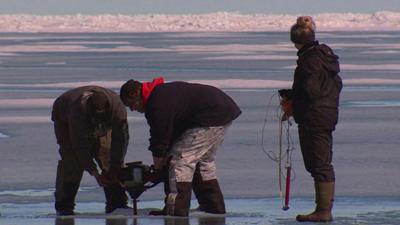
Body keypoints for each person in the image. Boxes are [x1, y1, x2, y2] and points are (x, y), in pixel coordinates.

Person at [119, 77, 241, 216]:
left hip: (209, 116)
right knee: (202, 162)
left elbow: (160, 137)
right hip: (222, 111)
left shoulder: (157, 103)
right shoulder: (161, 95)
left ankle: (176, 212)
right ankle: (212, 208)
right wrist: (162, 161)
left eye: (131, 105)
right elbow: (171, 134)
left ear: (136, 95)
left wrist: (159, 168)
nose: (132, 109)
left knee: (179, 162)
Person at [280, 16, 342, 222]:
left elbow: (311, 90)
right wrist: (294, 94)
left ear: (295, 41)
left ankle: (324, 211)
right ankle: (322, 209)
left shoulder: (310, 60)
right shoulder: (325, 56)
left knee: (319, 163)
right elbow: (328, 87)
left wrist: (294, 100)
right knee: (319, 162)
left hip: (315, 116)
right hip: (326, 113)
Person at [51, 86, 130, 215]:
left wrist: (116, 166)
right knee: (72, 161)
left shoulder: (117, 108)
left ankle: (117, 202)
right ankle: (64, 204)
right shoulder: (76, 113)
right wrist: (94, 172)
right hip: (64, 117)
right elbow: (79, 146)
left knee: (107, 156)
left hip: (104, 122)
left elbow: (121, 139)